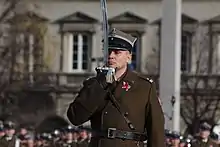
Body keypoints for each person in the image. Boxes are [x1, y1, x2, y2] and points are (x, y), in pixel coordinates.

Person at [67, 28, 165, 147]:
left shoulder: (144, 87)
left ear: (128, 57)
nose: (111, 56)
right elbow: (75, 117)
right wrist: (100, 85)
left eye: (117, 52)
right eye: (108, 51)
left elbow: (156, 132)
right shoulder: (94, 84)